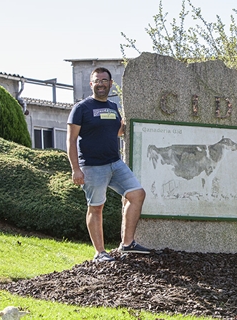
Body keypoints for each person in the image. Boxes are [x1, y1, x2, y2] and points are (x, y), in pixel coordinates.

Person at [67, 67, 150, 262]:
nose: (101, 83)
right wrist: (75, 169)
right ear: (91, 84)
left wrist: (129, 126)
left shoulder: (113, 107)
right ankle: (100, 253)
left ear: (111, 84)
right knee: (96, 207)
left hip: (115, 163)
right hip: (92, 166)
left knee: (137, 194)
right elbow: (71, 140)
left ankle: (127, 244)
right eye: (97, 80)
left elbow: (117, 131)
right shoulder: (81, 108)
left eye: (105, 80)